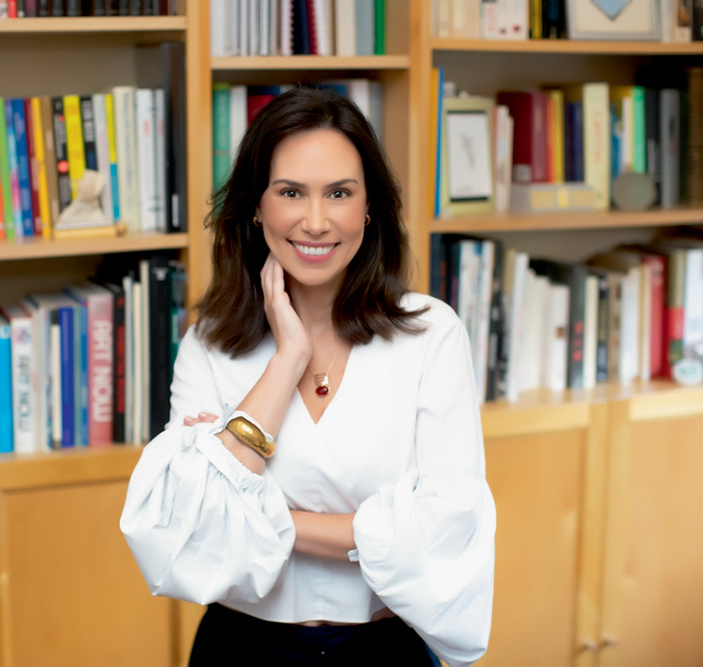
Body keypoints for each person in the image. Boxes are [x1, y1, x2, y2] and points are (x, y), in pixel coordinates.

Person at [120, 86, 496, 667]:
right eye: (291, 192)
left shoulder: (431, 334)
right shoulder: (208, 344)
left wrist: (254, 520)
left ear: (368, 207)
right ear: (256, 205)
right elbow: (186, 534)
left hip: (383, 649)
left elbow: (443, 534)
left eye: (339, 193)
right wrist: (287, 356)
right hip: (242, 649)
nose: (316, 222)